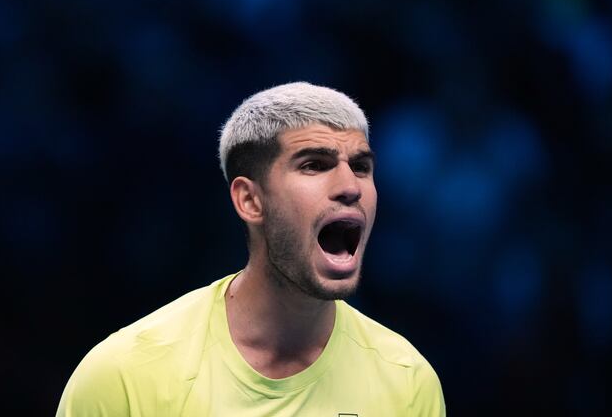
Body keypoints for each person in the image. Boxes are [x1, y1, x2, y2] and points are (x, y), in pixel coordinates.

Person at [56, 82, 446, 416]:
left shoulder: (406, 381)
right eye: (314, 164)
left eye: (361, 167)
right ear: (249, 201)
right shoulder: (123, 376)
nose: (350, 186)